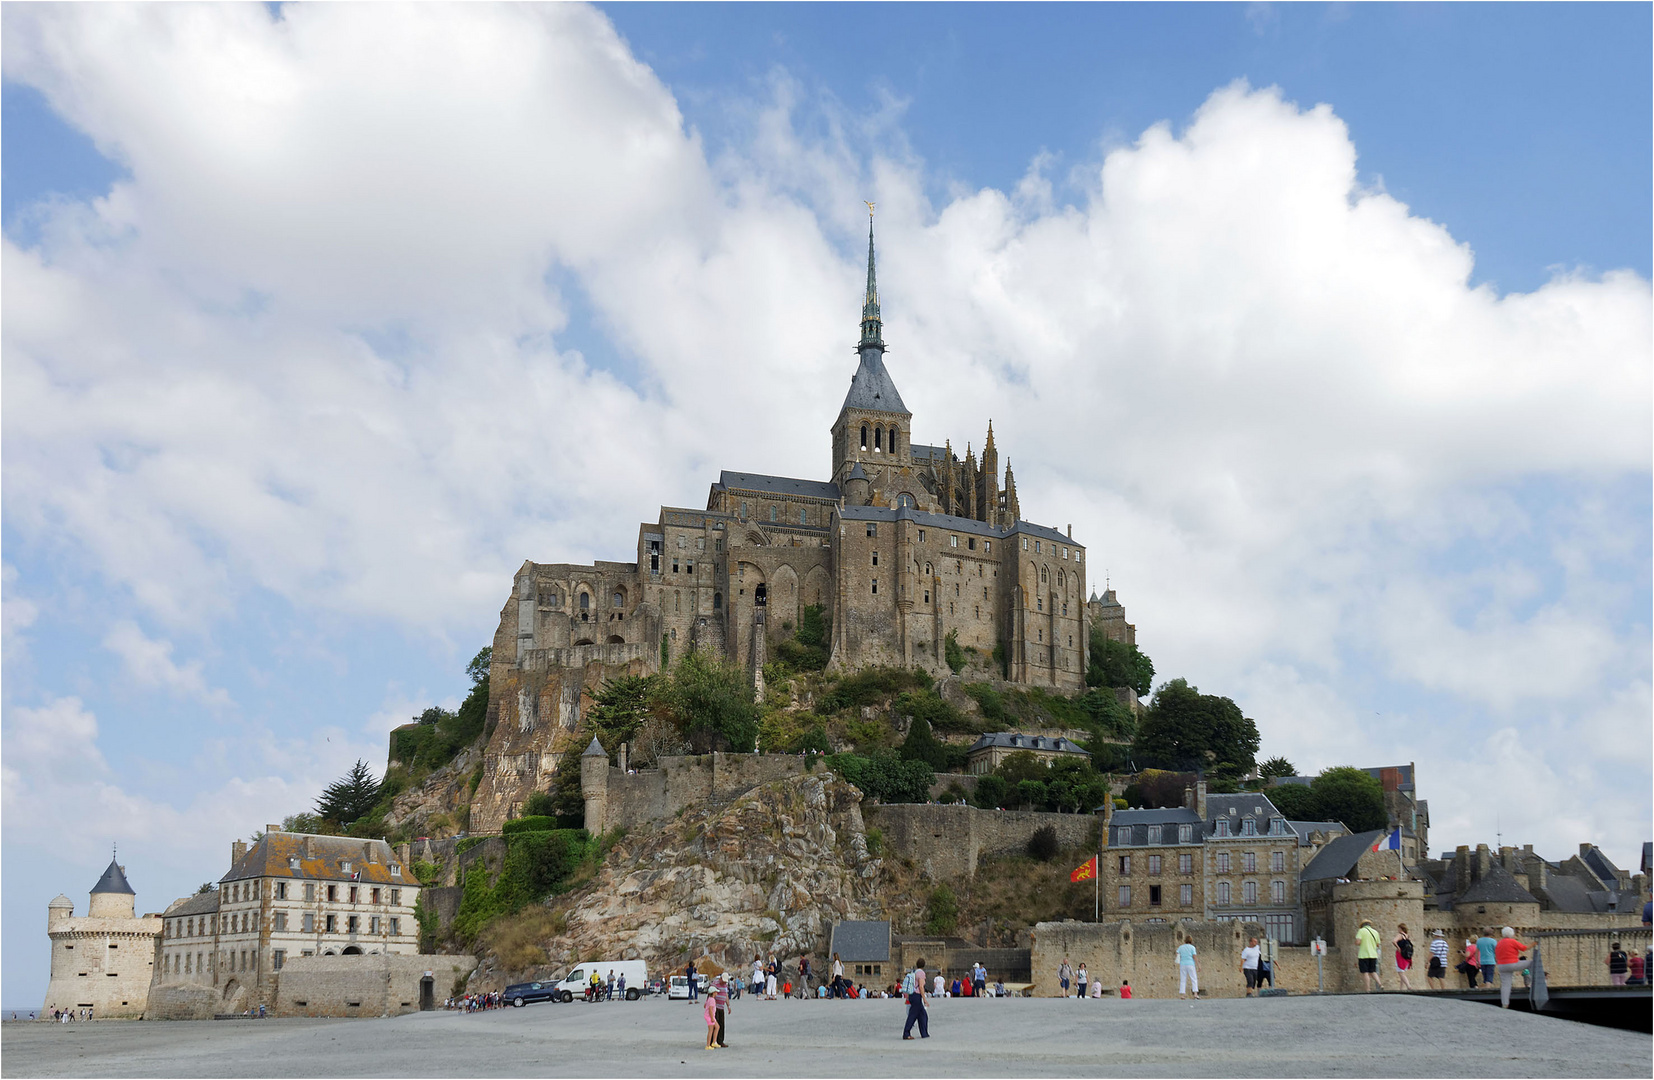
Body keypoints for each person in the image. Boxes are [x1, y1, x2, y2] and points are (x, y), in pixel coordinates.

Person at [1494, 927, 1535, 1008]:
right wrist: (1534, 943)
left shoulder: (1498, 943)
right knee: (1532, 963)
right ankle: (1531, 980)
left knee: (1506, 985)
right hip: (1513, 964)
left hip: (1501, 966)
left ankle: (1505, 1003)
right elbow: (1524, 948)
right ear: (1511, 934)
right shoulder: (1512, 941)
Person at [902, 958, 930, 1039]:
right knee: (913, 1015)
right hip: (917, 996)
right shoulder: (921, 973)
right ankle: (906, 1033)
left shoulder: (913, 972)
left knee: (923, 1015)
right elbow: (921, 987)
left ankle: (924, 1033)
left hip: (912, 995)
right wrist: (925, 1000)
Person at [1356, 919, 1383, 991]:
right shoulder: (1375, 932)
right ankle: (1380, 983)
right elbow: (1378, 944)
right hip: (1373, 954)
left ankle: (1368, 989)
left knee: (1365, 972)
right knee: (1373, 971)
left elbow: (1358, 942)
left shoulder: (1361, 931)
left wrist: (1357, 943)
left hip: (1363, 954)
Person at [1393, 924, 1415, 991]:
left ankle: (1408, 986)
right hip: (1406, 955)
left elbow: (1393, 941)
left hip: (1400, 955)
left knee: (1400, 972)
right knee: (1402, 971)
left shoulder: (1400, 935)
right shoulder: (1407, 936)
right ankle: (1401, 989)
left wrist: (1398, 947)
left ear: (1400, 928)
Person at [1176, 935, 1199, 999]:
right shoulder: (1192, 948)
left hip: (1183, 964)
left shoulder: (1181, 947)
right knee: (1194, 979)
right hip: (1190, 964)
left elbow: (1177, 953)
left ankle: (1183, 994)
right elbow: (1194, 956)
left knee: (1183, 979)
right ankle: (1195, 994)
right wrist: (1198, 965)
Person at [713, 973, 730, 1047]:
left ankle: (720, 1041)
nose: (725, 983)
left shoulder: (725, 985)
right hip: (715, 1007)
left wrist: (728, 1006)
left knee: (722, 1024)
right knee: (715, 1025)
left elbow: (726, 995)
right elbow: (711, 994)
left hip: (722, 1007)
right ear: (720, 979)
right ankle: (713, 1041)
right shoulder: (715, 984)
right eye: (724, 981)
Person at [702, 985, 719, 1050]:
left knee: (717, 1027)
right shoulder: (712, 1000)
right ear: (713, 993)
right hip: (710, 1016)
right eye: (716, 992)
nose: (717, 993)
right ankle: (708, 1045)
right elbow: (710, 1009)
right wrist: (712, 1018)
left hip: (709, 1016)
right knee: (711, 1030)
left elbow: (705, 1006)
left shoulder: (709, 999)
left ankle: (714, 1042)